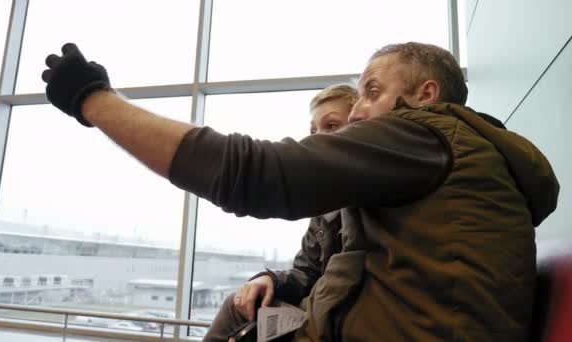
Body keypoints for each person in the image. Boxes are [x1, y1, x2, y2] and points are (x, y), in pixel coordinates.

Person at [41, 42, 559, 341]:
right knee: (240, 315)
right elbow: (322, 271)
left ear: (426, 95)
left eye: (371, 93)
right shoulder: (448, 158)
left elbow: (255, 174)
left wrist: (95, 101)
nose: (357, 114)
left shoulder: (424, 132)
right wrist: (274, 280)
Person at [204, 84, 359, 342]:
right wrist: (271, 279)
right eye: (313, 129)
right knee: (240, 304)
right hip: (319, 310)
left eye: (331, 126)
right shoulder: (325, 207)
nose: (315, 138)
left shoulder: (367, 199)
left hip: (337, 319)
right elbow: (306, 272)